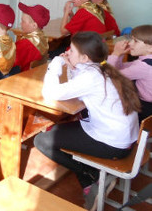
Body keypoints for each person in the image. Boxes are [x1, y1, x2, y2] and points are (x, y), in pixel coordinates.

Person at [34, 31, 140, 210]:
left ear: (84, 58)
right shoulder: (100, 69)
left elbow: (50, 93)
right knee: (57, 130)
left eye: (71, 51)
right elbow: (78, 86)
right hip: (124, 138)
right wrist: (71, 66)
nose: (67, 52)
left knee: (42, 141)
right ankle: (92, 183)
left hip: (113, 144)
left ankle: (93, 177)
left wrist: (56, 64)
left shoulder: (91, 76)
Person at [108, 25, 152, 121]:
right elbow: (121, 68)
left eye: (135, 41)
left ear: (150, 48)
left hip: (146, 109)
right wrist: (120, 55)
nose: (130, 43)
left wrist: (115, 53)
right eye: (131, 39)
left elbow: (109, 76)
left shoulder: (143, 67)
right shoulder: (146, 61)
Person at [14, 2, 50, 72]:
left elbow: (10, 61)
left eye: (23, 21)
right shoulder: (42, 36)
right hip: (38, 73)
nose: (20, 23)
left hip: (25, 75)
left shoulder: (27, 44)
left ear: (34, 25)